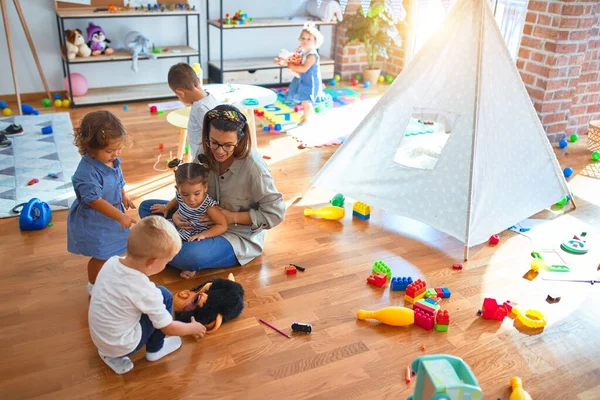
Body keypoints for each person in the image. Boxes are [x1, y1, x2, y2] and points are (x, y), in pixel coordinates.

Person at [139, 104, 286, 277]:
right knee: (146, 208)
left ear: (239, 140)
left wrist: (232, 217)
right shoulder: (205, 150)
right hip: (196, 218)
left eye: (228, 145)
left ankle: (161, 244)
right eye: (214, 142)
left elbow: (275, 214)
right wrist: (178, 214)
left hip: (234, 234)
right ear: (207, 135)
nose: (219, 151)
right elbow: (190, 185)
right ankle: (167, 242)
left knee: (190, 257)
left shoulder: (254, 169)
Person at [89, 216, 207, 375]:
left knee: (150, 301)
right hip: (124, 345)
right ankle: (155, 350)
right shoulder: (145, 291)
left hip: (101, 340)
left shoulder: (111, 262)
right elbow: (169, 328)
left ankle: (111, 354)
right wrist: (193, 327)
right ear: (152, 261)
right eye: (166, 262)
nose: (166, 265)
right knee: (164, 295)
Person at [67, 111, 136, 295]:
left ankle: (111, 277)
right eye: (109, 151)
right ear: (89, 148)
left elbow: (118, 179)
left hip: (113, 213)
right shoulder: (87, 172)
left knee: (116, 250)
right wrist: (120, 216)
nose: (115, 154)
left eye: (118, 149)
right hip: (96, 219)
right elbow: (95, 201)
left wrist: (123, 196)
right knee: (101, 255)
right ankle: (93, 286)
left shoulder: (112, 161)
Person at [152, 154, 228, 266]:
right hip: (177, 226)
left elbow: (222, 225)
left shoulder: (208, 205)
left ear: (205, 187)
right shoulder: (180, 195)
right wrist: (166, 208)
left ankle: (181, 262)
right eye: (185, 194)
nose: (191, 199)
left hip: (195, 234)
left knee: (183, 249)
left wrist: (203, 235)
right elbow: (176, 200)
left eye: (197, 193)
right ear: (178, 189)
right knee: (155, 227)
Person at [276, 22, 326, 124]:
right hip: (303, 79)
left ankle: (307, 118)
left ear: (315, 41)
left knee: (305, 100)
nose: (305, 41)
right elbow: (295, 58)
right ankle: (309, 113)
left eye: (309, 39)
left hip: (309, 81)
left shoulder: (312, 55)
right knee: (304, 98)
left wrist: (291, 66)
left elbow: (304, 68)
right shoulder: (303, 52)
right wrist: (285, 59)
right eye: (303, 38)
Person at [168, 62, 220, 157]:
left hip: (205, 161)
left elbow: (215, 137)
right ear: (198, 80)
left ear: (180, 92)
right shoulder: (211, 97)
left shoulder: (200, 109)